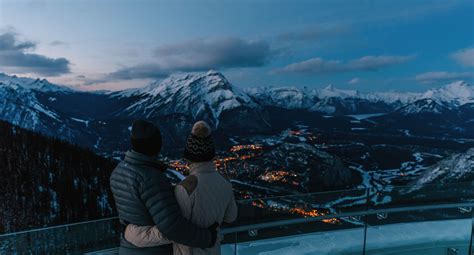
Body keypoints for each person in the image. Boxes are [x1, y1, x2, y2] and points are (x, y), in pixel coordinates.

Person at [124, 121, 238, 255]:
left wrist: (133, 234)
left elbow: (174, 231)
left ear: (188, 156)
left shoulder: (186, 188)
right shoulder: (224, 182)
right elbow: (231, 217)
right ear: (212, 154)